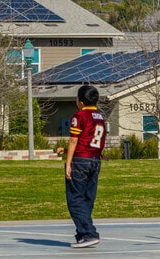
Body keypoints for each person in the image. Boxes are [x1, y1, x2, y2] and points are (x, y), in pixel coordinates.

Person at [63, 84, 106, 248]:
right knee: (88, 198)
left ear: (80, 101)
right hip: (95, 160)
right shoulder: (100, 116)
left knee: (75, 198)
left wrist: (68, 163)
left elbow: (74, 139)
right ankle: (82, 234)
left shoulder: (80, 115)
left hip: (80, 161)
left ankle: (88, 233)